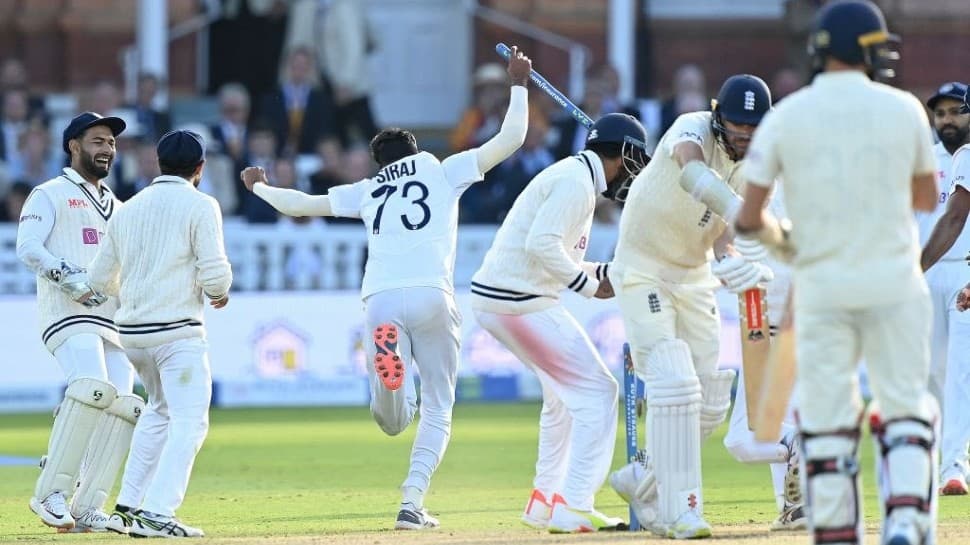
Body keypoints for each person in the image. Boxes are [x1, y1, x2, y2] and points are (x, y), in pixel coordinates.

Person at [239, 46, 533, 530]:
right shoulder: (442, 169)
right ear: (416, 153)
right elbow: (511, 138)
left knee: (391, 421)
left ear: (378, 163)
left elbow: (299, 206)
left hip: (380, 298)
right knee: (439, 405)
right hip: (431, 293)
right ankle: (411, 503)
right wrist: (519, 84)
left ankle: (392, 375)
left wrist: (259, 187)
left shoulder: (368, 190)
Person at [735, 2, 940, 544]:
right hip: (894, 280)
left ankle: (836, 531)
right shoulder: (904, 109)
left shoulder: (787, 115)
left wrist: (792, 240)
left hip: (822, 287)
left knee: (825, 418)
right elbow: (925, 197)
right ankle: (905, 519)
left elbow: (750, 218)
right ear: (866, 49)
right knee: (905, 405)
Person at [606, 73, 775, 539]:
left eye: (752, 130)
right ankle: (684, 511)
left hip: (695, 275)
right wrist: (741, 210)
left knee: (709, 402)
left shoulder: (764, 162)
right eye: (736, 129)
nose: (744, 138)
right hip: (643, 268)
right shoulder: (691, 126)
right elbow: (690, 169)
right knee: (675, 382)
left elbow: (726, 234)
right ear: (720, 117)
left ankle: (643, 480)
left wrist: (735, 262)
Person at [471, 113, 649, 533]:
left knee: (562, 399)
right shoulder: (575, 184)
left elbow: (554, 252)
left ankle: (545, 501)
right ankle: (575, 504)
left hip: (509, 298)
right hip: (518, 301)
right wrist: (589, 286)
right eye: (634, 160)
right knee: (598, 391)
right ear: (622, 153)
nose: (632, 173)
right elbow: (542, 245)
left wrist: (603, 272)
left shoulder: (574, 177)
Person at [88, 129, 233, 538]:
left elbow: (100, 278)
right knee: (191, 422)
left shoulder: (128, 208)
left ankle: (129, 507)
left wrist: (140, 288)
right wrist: (219, 292)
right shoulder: (201, 204)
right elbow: (215, 272)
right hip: (176, 333)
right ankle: (158, 511)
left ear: (158, 163)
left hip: (133, 334)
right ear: (200, 169)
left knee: (159, 413)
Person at [16, 112, 143, 532]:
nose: (107, 149)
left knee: (122, 407)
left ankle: (88, 504)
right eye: (98, 141)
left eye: (110, 142)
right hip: (68, 314)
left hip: (113, 321)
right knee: (93, 388)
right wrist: (71, 280)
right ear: (73, 145)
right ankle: (50, 491)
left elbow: (130, 269)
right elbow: (28, 247)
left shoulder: (119, 206)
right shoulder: (49, 193)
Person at [721, 183, 804, 531]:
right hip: (799, 320)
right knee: (779, 426)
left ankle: (807, 443)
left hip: (768, 318)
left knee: (743, 438)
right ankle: (797, 509)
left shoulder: (774, 175)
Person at [918, 81, 970, 496]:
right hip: (926, 275)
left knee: (960, 373)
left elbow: (954, 220)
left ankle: (954, 466)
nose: (948, 120)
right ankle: (938, 459)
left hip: (965, 275)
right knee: (932, 372)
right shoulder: (921, 161)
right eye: (941, 113)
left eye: (956, 111)